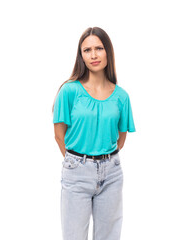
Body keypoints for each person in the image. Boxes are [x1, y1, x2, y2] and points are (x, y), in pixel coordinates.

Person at [52, 26, 136, 240]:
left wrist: (102, 160)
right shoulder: (69, 91)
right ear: (81, 56)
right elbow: (59, 135)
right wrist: (79, 162)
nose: (93, 55)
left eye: (99, 48)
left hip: (112, 174)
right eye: (87, 50)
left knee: (110, 236)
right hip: (76, 172)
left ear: (108, 51)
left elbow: (121, 138)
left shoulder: (122, 97)